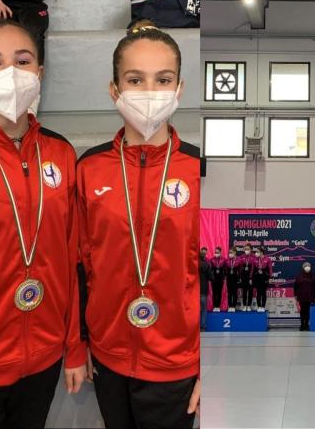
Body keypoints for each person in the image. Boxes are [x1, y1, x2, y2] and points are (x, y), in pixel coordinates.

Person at [77, 23, 200, 429]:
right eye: (135, 79)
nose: (149, 91)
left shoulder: (198, 168)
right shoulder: (88, 168)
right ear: (114, 90)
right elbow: (79, 264)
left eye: (162, 80)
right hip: (108, 356)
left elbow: (208, 276)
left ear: (179, 88)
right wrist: (80, 342)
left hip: (177, 364)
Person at [0, 18, 85, 428]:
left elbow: (71, 260)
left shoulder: (61, 153)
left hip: (43, 358)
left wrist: (73, 347)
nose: (10, 73)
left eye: (23, 60)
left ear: (39, 74)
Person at [294, 262, 315, 331]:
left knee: (307, 311)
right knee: (302, 311)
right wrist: (295, 295)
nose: (307, 267)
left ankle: (306, 325)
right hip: (301, 296)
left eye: (308, 266)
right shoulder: (299, 276)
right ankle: (302, 325)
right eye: (306, 266)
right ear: (303, 267)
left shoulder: (313, 276)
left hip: (310, 296)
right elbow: (295, 286)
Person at [252, 247, 272, 313]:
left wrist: (270, 277)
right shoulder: (255, 259)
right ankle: (259, 306)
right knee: (258, 293)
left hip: (264, 278)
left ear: (261, 252)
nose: (256, 253)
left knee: (263, 293)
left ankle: (263, 306)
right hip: (257, 278)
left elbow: (270, 269)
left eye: (257, 252)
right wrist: (251, 278)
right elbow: (252, 270)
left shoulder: (267, 259)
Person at [238, 243, 256, 310]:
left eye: (248, 249)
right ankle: (245, 305)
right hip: (244, 276)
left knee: (250, 290)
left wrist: (251, 277)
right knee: (244, 290)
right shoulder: (241, 256)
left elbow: (254, 268)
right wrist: (240, 276)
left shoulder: (254, 257)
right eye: (245, 249)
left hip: (251, 276)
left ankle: (249, 305)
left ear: (251, 249)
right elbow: (240, 267)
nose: (246, 250)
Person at [199, 247, 212, 331]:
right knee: (204, 309)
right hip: (203, 290)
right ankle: (203, 327)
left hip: (194, 290)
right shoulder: (207, 264)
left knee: (194, 309)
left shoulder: (194, 263)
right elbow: (211, 277)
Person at [209, 246, 226, 312]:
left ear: (220, 252)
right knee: (214, 293)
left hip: (220, 279)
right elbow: (210, 270)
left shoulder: (223, 260)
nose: (216, 253)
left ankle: (218, 306)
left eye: (218, 252)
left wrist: (224, 277)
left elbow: (225, 270)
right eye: (215, 252)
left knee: (219, 293)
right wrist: (211, 278)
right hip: (214, 279)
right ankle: (214, 306)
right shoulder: (211, 260)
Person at [224, 247, 240, 312]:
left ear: (235, 252)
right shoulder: (227, 260)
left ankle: (234, 306)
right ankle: (230, 306)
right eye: (229, 252)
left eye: (231, 252)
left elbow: (240, 270)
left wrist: (239, 278)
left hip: (235, 278)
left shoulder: (239, 260)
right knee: (230, 293)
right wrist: (225, 276)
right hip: (229, 278)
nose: (230, 254)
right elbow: (225, 269)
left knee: (234, 293)